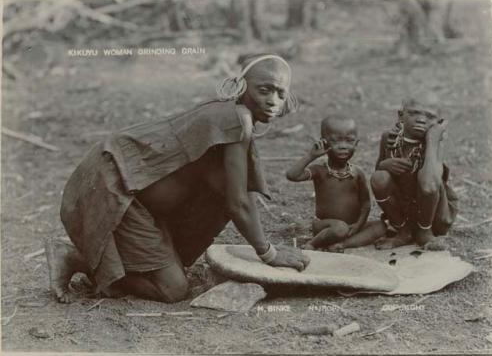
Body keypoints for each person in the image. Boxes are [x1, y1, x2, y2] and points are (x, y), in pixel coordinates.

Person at [46, 54, 310, 304]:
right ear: (240, 86)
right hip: (118, 185)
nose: (273, 100)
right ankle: (75, 257)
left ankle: (116, 262)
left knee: (178, 265)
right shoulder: (236, 118)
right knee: (173, 289)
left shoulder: (234, 118)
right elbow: (239, 203)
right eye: (264, 90)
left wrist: (265, 246)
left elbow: (238, 195)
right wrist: (269, 254)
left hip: (136, 193)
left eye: (280, 93)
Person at [286, 116, 386, 252]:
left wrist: (358, 224)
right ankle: (313, 244)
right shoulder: (320, 170)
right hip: (325, 226)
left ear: (356, 143)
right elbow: (292, 175)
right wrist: (311, 156)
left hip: (352, 226)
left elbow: (366, 203)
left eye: (349, 141)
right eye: (336, 141)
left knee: (381, 226)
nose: (343, 146)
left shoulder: (357, 173)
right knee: (340, 228)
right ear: (324, 142)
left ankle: (341, 245)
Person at [370, 98, 458, 250]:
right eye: (414, 113)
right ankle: (403, 232)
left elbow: (430, 185)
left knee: (428, 184)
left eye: (430, 117)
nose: (422, 120)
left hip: (432, 213)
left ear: (439, 122)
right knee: (379, 178)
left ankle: (424, 232)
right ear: (400, 115)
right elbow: (378, 171)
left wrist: (432, 139)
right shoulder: (389, 138)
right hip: (402, 209)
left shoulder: (435, 144)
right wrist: (386, 165)